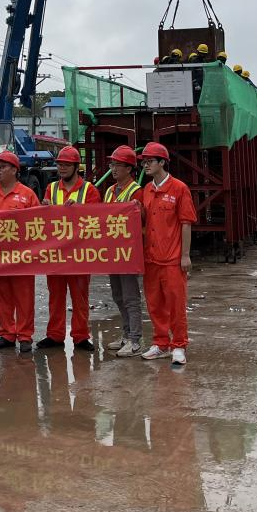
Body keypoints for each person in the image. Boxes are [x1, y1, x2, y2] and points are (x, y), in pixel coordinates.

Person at [138, 141, 195, 365]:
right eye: (144, 162)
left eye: (150, 161)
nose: (146, 165)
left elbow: (186, 223)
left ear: (162, 162)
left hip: (172, 259)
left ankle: (178, 345)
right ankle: (160, 343)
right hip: (151, 258)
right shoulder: (147, 190)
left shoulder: (179, 188)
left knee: (175, 304)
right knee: (154, 303)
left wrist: (185, 255)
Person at [38, 146, 99, 351]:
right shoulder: (51, 188)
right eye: (59, 164)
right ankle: (55, 335)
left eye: (66, 164)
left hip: (80, 253)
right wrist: (44, 208)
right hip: (56, 253)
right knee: (55, 296)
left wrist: (80, 210)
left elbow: (97, 219)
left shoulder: (89, 190)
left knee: (80, 297)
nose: (62, 168)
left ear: (76, 167)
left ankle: (81, 336)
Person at [0, 151, 40, 352]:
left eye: (2, 167)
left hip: (22, 256)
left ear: (15, 170)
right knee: (2, 297)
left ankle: (25, 336)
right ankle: (7, 334)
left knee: (24, 297)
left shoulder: (27, 194)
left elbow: (38, 224)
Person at [102, 145, 146, 357]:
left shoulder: (136, 191)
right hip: (113, 252)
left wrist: (139, 208)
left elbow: (143, 220)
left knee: (130, 297)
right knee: (118, 295)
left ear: (129, 168)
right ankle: (127, 334)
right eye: (112, 164)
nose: (113, 168)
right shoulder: (110, 191)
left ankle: (136, 340)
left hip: (128, 253)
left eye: (117, 165)